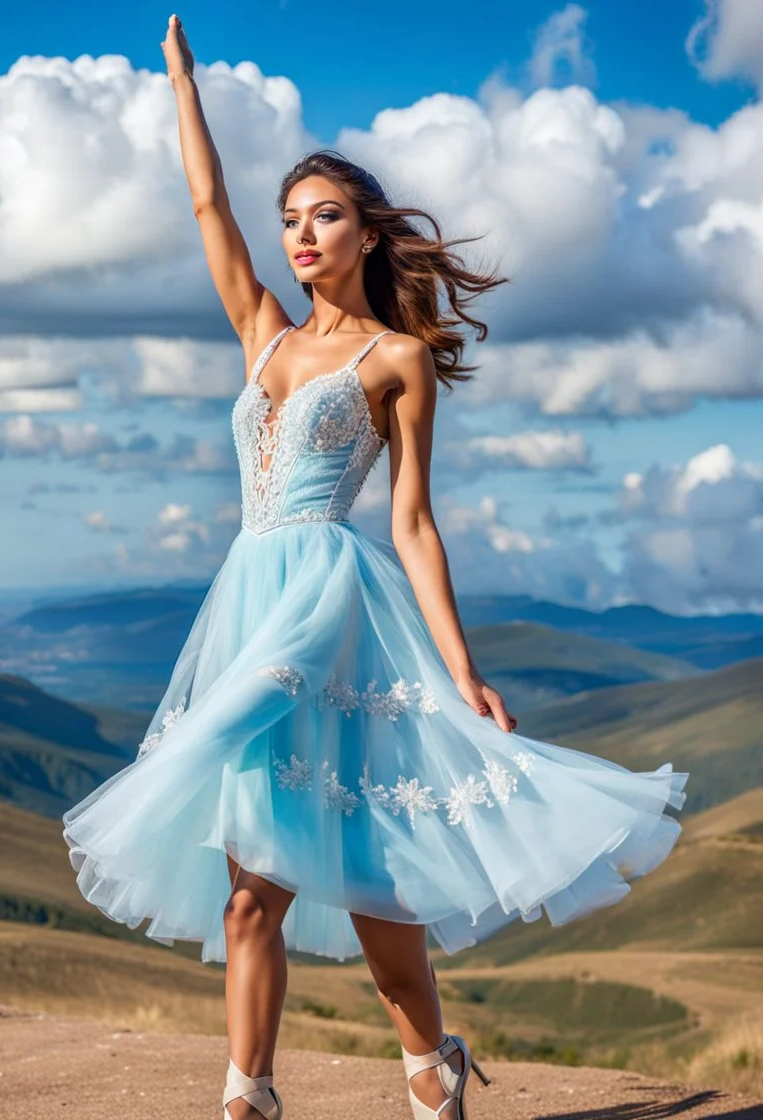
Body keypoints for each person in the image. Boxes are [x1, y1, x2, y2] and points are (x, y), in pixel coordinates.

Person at [61, 15, 690, 1120]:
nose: (301, 236)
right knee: (249, 893)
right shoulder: (259, 329)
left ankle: (426, 1067)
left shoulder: (396, 360)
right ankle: (247, 1097)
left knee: (369, 886)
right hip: (247, 601)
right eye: (291, 220)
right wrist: (180, 84)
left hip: (327, 610)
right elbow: (207, 207)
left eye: (324, 217)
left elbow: (412, 524)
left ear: (365, 234)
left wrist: (460, 666)